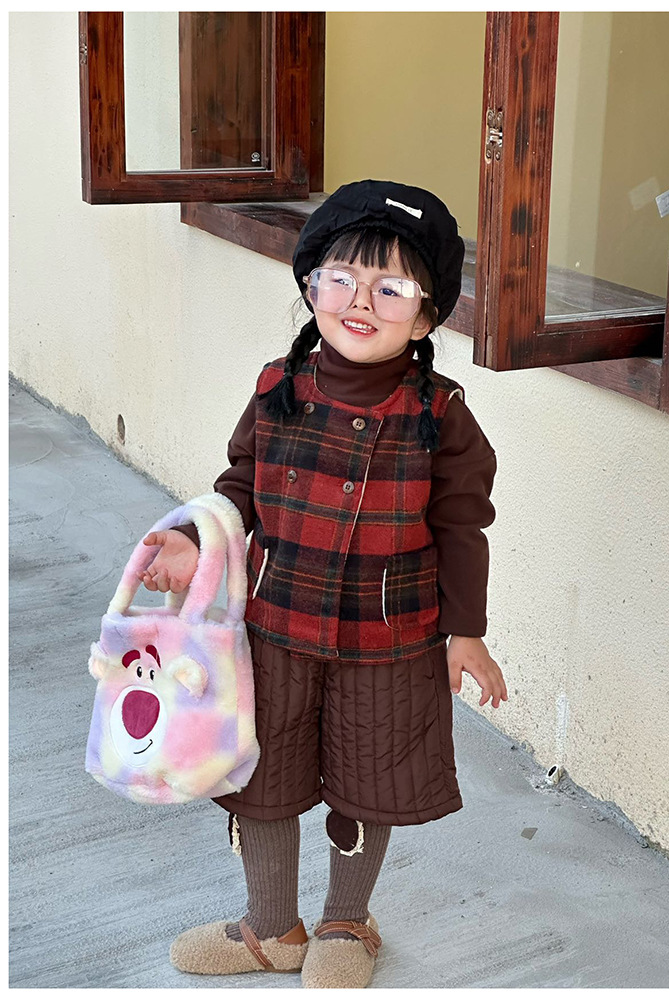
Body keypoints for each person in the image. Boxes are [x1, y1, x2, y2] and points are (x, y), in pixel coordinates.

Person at [137, 179, 508, 988]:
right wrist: (193, 539)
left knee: (368, 782)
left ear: (427, 314)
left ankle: (347, 921)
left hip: (390, 641)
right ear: (312, 288)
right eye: (341, 279)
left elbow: (461, 528)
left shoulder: (441, 416)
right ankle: (271, 929)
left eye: (391, 287)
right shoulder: (278, 387)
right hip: (275, 629)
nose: (361, 301)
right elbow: (241, 484)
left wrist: (466, 632)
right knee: (261, 781)